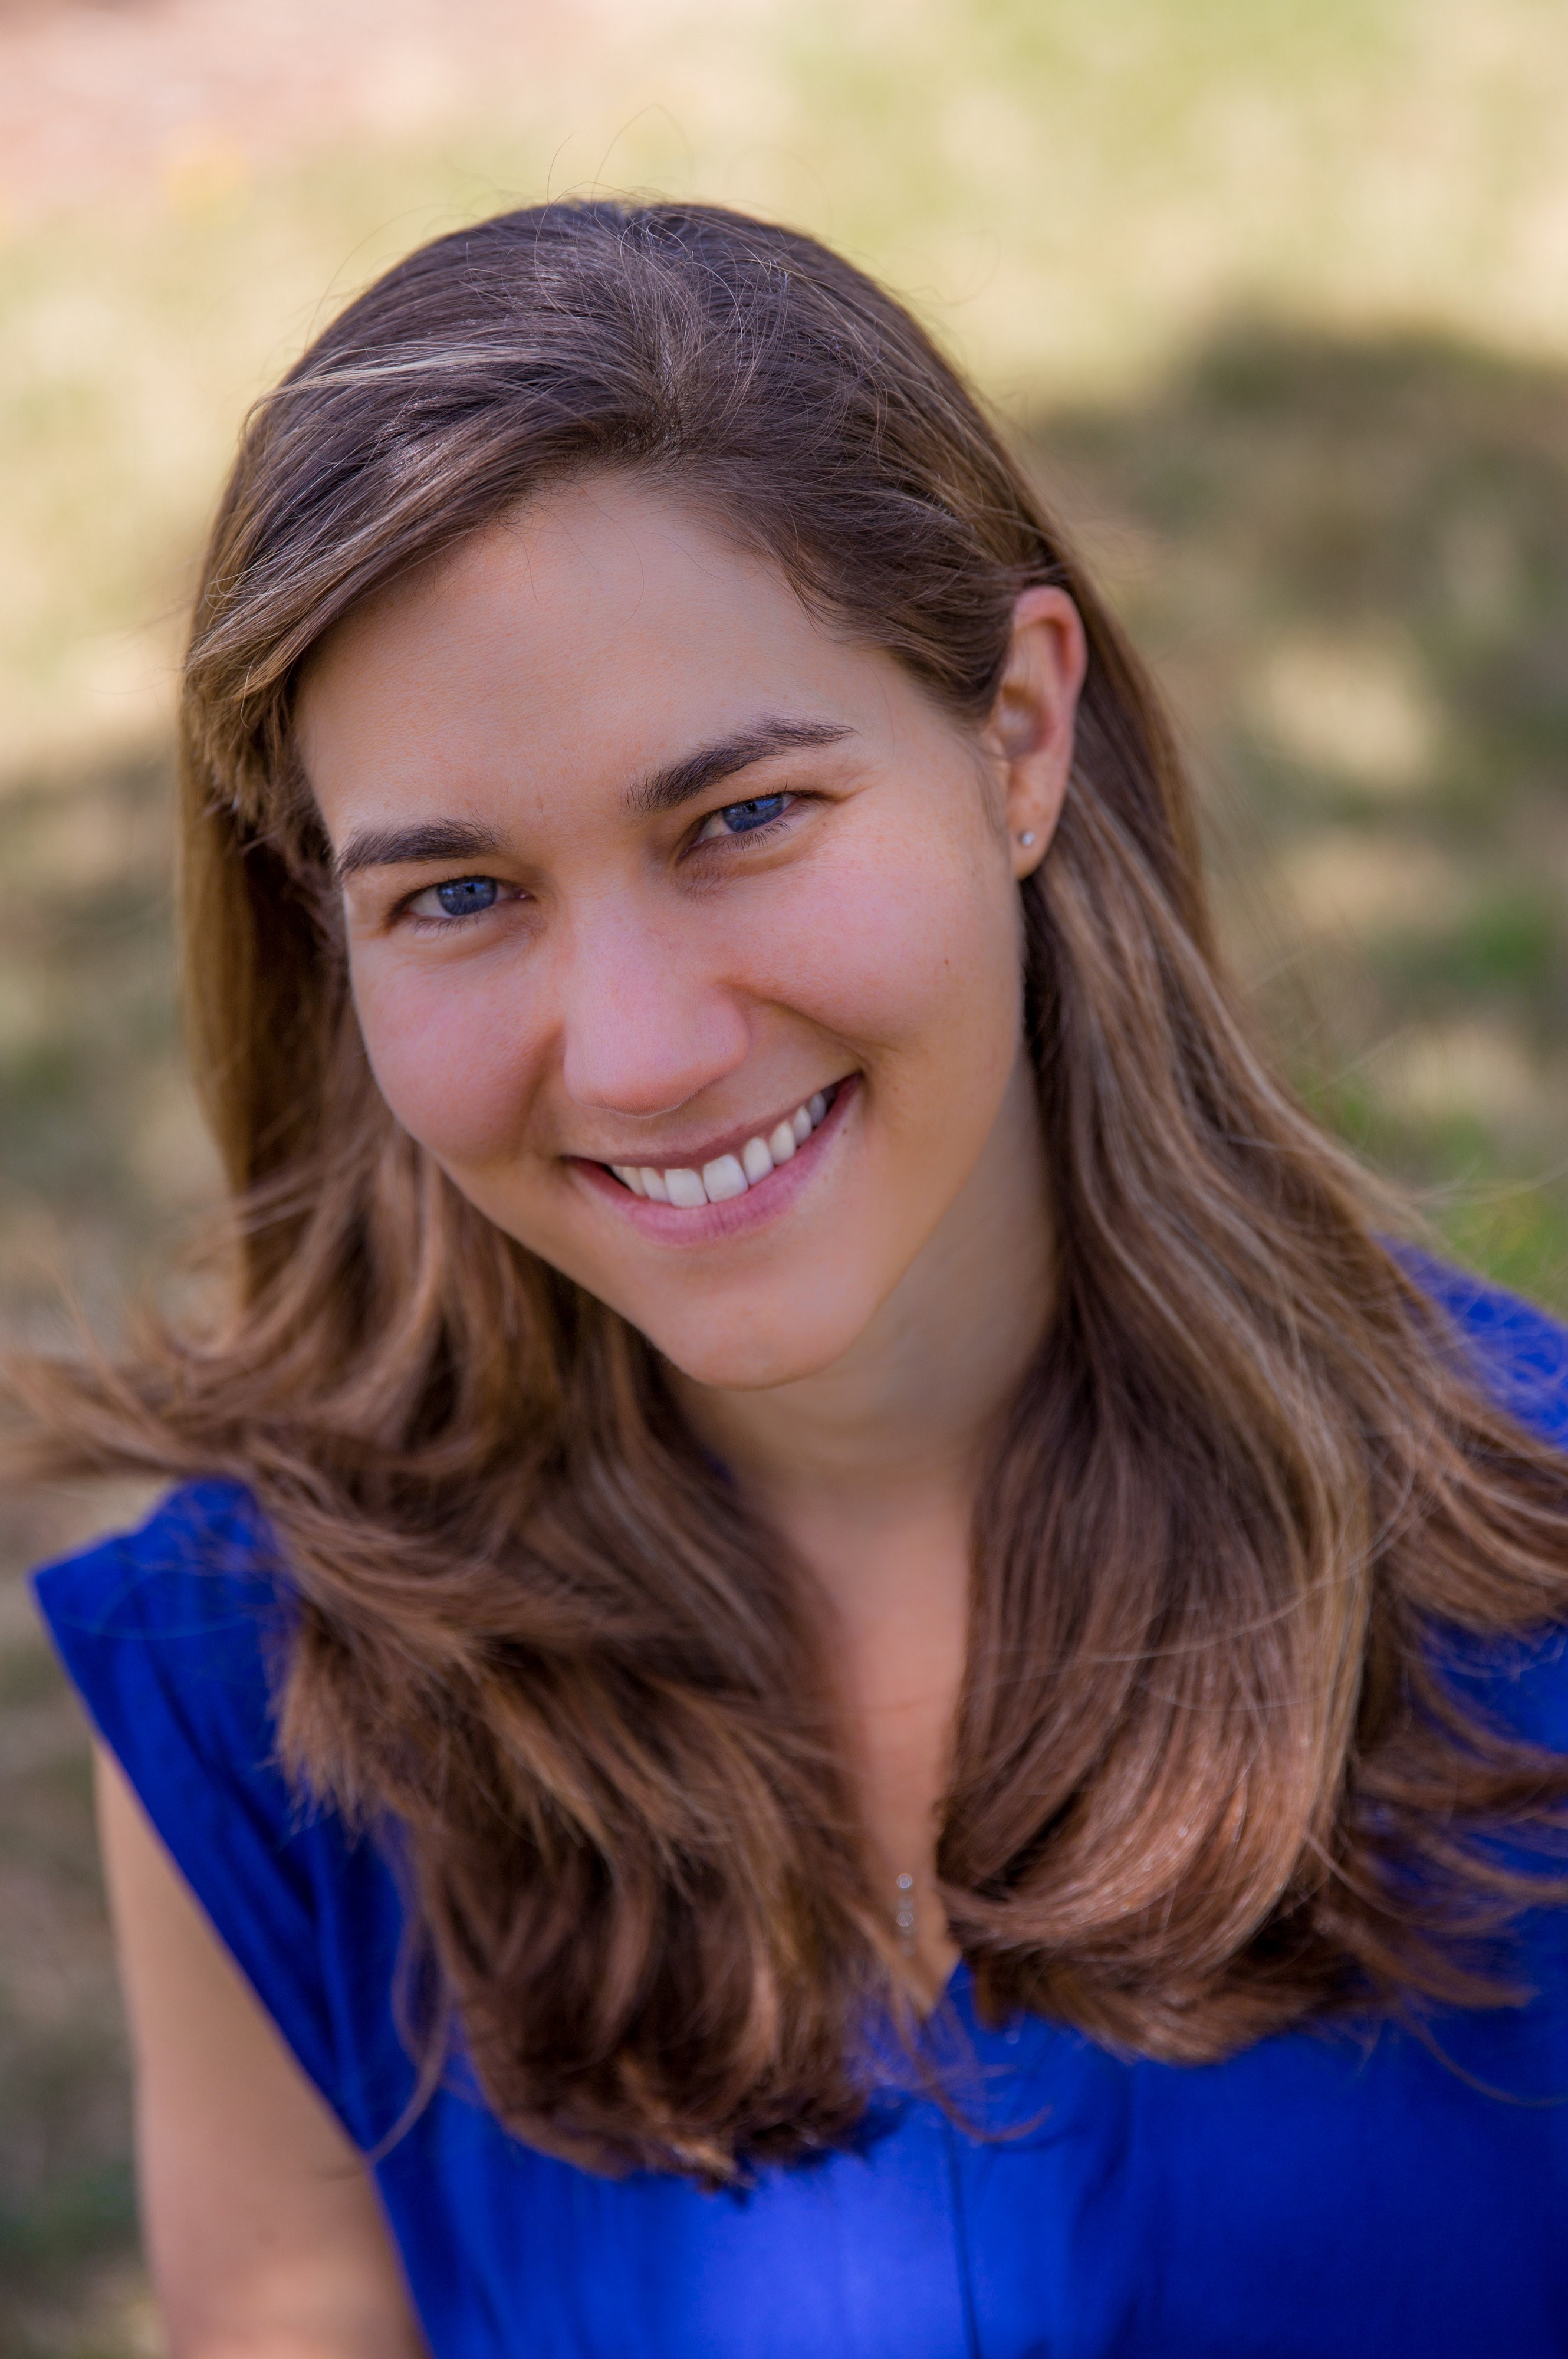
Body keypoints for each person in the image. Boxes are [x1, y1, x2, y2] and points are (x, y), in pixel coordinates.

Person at [13, 201, 1568, 2358]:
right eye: (458, 892)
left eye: (739, 817)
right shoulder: (261, 1698)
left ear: (1017, 736)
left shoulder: (1537, 1571)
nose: (637, 1051)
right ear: (331, 935)